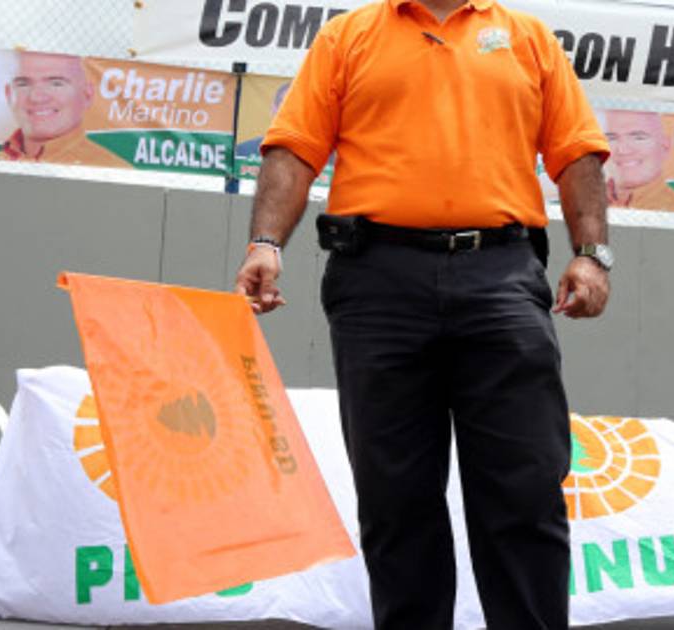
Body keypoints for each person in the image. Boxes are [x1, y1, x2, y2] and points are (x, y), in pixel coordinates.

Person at [233, 0, 612, 626]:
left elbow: (577, 153)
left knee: (525, 489)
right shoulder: (348, 37)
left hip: (501, 275)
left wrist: (593, 255)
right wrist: (265, 243)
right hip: (376, 282)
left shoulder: (528, 39)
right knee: (395, 498)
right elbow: (294, 148)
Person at [0, 51, 125, 168]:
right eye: (23, 84)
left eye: (56, 83)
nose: (36, 97)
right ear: (9, 95)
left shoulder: (111, 170)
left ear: (87, 95)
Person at [603, 109, 674, 210]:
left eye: (639, 138)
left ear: (665, 146)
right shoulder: (589, 198)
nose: (622, 150)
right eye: (611, 138)